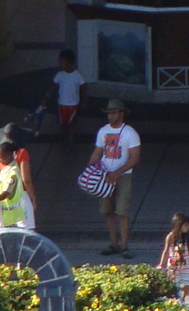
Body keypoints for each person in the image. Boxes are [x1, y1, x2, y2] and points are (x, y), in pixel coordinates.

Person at [89, 100, 141, 256]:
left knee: (122, 211)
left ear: (121, 113)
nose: (110, 116)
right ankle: (114, 244)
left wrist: (117, 172)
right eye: (108, 113)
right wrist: (90, 169)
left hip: (123, 176)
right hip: (105, 174)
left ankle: (125, 246)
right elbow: (98, 152)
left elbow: (135, 158)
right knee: (108, 211)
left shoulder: (130, 133)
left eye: (113, 112)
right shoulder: (103, 131)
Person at [45, 49, 86, 145]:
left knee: (71, 124)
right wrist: (46, 97)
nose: (59, 64)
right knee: (63, 124)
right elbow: (53, 87)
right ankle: (64, 139)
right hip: (62, 104)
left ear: (69, 63)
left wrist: (84, 100)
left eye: (62, 62)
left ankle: (70, 143)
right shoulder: (59, 75)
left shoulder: (77, 75)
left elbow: (84, 87)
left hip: (73, 105)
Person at [159, 212, 189, 299]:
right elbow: (166, 250)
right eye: (186, 225)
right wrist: (161, 264)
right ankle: (176, 299)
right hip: (173, 264)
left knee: (187, 283)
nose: (188, 227)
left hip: (185, 263)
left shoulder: (185, 236)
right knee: (175, 283)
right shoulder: (170, 237)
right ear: (179, 225)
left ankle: (182, 299)